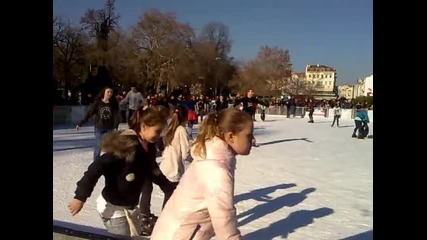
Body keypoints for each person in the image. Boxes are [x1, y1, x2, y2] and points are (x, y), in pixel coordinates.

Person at [150, 108, 254, 240]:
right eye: (249, 135)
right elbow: (223, 216)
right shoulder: (216, 168)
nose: (252, 140)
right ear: (231, 136)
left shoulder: (216, 157)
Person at [68, 106, 167, 238]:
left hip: (129, 206)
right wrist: (80, 196)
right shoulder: (126, 147)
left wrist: (172, 188)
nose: (159, 135)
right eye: (157, 131)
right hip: (112, 207)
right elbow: (96, 167)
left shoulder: (147, 148)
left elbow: (153, 170)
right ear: (143, 127)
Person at [76, 87, 120, 161]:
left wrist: (116, 126)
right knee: (98, 147)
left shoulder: (113, 104)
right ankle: (95, 164)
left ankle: (110, 163)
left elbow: (116, 116)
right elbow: (89, 113)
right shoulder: (98, 103)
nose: (110, 94)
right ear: (104, 93)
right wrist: (80, 123)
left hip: (109, 128)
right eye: (108, 92)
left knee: (110, 148)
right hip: (99, 128)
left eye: (111, 92)